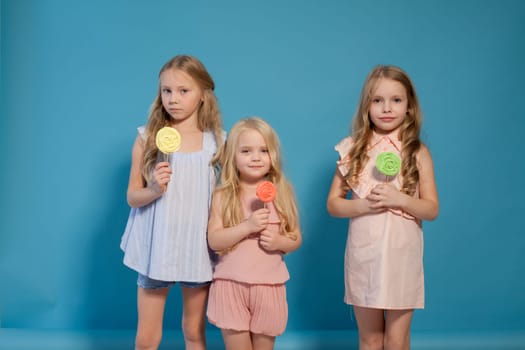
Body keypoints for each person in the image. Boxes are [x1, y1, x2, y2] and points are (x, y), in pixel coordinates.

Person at [326, 65, 439, 350]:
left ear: (409, 107)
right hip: (365, 256)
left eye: (396, 100)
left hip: (402, 257)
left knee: (397, 340)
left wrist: (400, 199)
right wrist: (365, 205)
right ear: (367, 106)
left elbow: (431, 209)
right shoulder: (352, 149)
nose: (386, 108)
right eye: (377, 100)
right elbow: (334, 205)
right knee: (370, 339)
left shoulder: (417, 152)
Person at [120, 54, 224, 350]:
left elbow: (225, 198)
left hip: (197, 251)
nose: (173, 99)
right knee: (148, 336)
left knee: (193, 331)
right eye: (166, 91)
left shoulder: (217, 143)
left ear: (203, 95)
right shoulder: (147, 138)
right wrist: (153, 188)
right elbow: (132, 197)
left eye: (183, 91)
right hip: (157, 248)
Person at [206, 117, 302, 350]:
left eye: (264, 150)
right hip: (230, 284)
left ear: (273, 156)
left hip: (269, 286)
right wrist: (246, 227)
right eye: (246, 151)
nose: (256, 157)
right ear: (233, 156)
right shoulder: (223, 195)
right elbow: (214, 240)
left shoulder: (282, 192)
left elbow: (296, 238)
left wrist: (280, 241)